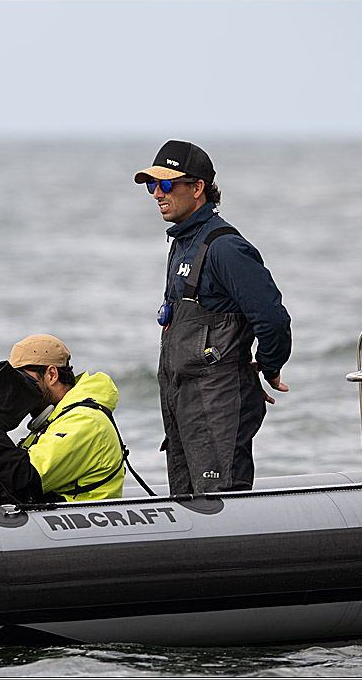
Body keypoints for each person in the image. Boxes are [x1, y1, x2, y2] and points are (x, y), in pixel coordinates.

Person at [134, 140, 292, 494]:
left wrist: (267, 367)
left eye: (166, 184)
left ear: (197, 187)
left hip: (219, 406)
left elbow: (272, 319)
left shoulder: (225, 247)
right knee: (185, 503)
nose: (157, 194)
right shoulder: (182, 243)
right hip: (182, 404)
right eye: (152, 185)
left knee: (222, 507)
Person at [0, 334, 126, 505]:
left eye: (23, 381)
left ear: (52, 375)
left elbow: (25, 478)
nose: (16, 390)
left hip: (82, 527)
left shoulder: (86, 420)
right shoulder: (53, 420)